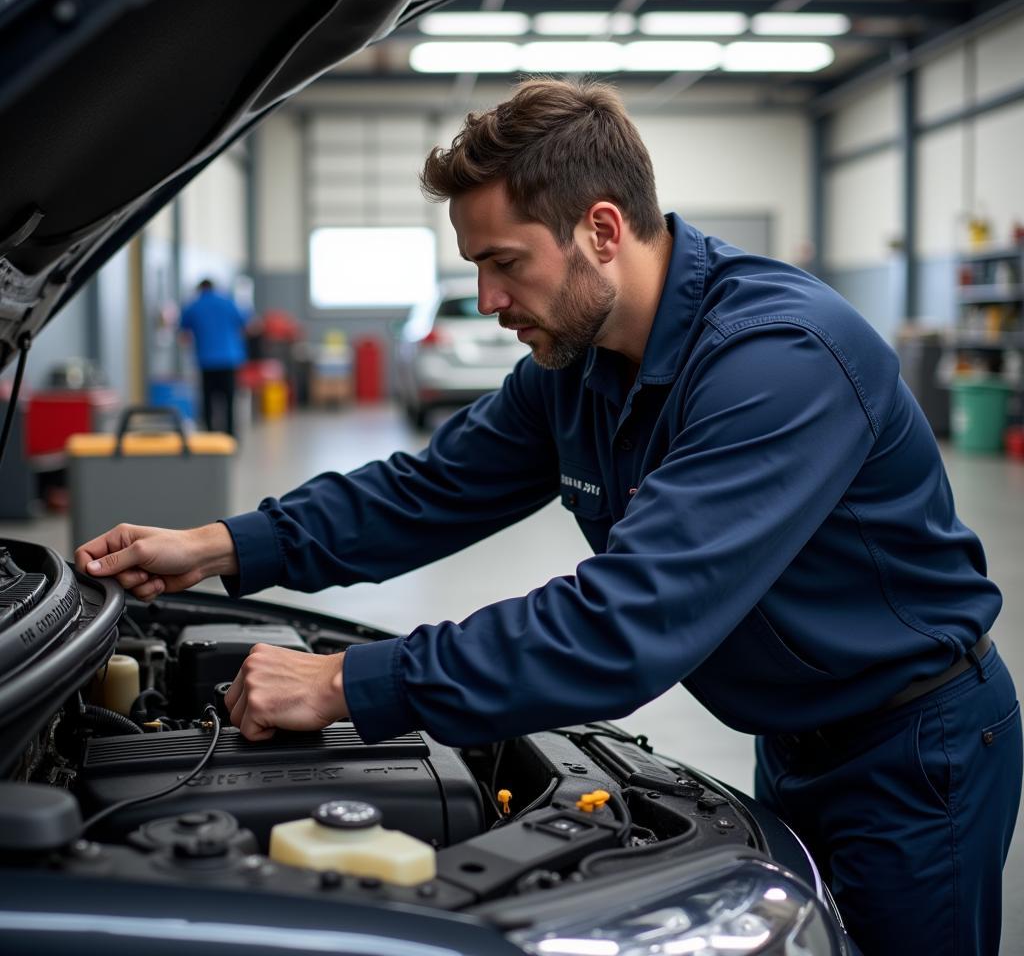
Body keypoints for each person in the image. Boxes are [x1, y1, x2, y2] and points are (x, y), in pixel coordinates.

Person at [76, 79, 1020, 956]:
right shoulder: (577, 369)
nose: (488, 302)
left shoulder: (780, 362)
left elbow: (620, 628)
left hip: (910, 752)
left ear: (602, 229)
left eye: (504, 264)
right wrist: (223, 545)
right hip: (795, 738)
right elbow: (426, 489)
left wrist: (346, 684)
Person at [178, 278, 252, 436]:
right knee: (229, 399)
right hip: (229, 359)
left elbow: (183, 330)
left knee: (208, 399)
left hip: (206, 360)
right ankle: (230, 433)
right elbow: (244, 323)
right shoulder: (228, 303)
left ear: (200, 290)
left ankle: (210, 433)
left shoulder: (194, 306)